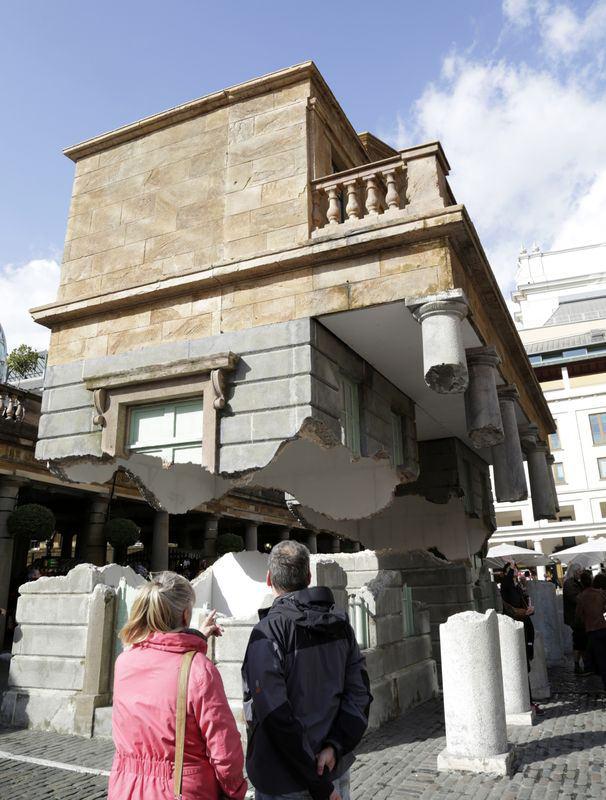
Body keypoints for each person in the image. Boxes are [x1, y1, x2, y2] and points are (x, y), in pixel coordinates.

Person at [242, 540, 372, 800]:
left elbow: (274, 715)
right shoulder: (341, 626)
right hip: (331, 768)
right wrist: (334, 746)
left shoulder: (268, 632)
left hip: (284, 778)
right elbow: (360, 695)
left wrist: (319, 776)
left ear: (269, 579)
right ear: (309, 577)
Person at [108, 571, 247, 800]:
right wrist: (234, 789)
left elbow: (164, 657)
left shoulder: (124, 661)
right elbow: (223, 748)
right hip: (181, 789)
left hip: (126, 788)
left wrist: (197, 637)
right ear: (185, 615)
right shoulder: (199, 670)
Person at [500, 562, 543, 715]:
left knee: (526, 664)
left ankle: (529, 701)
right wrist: (511, 568)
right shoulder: (506, 587)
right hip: (516, 630)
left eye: (515, 570)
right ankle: (527, 702)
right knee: (522, 666)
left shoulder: (516, 587)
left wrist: (530, 607)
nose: (514, 572)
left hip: (525, 627)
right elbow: (511, 605)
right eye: (512, 571)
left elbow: (523, 603)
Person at [575, 572, 606, 689]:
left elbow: (578, 615)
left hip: (592, 629)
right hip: (603, 626)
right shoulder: (600, 593)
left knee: (600, 658)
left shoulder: (581, 597)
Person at [563, 566, 592, 675]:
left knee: (582, 641)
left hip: (579, 618)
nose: (580, 573)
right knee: (579, 642)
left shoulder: (577, 582)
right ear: (573, 572)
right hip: (575, 618)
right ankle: (578, 665)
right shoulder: (569, 584)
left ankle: (585, 664)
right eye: (579, 571)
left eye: (581, 571)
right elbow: (576, 599)